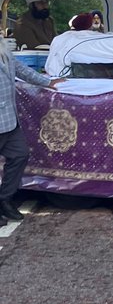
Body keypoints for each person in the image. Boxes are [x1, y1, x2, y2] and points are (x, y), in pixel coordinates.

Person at [0, 36, 63, 223]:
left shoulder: (3, 49)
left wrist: (47, 82)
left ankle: (5, 200)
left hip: (9, 120)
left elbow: (20, 69)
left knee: (20, 155)